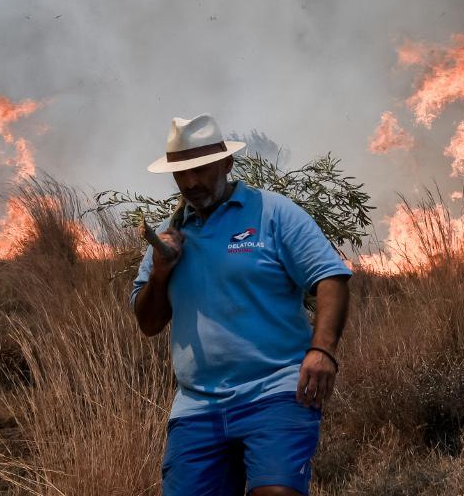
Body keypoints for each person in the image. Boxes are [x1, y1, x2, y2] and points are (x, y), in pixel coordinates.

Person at [131, 113, 351, 496]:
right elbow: (148, 323)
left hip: (276, 391)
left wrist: (322, 351)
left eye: (200, 170)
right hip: (197, 405)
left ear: (227, 163)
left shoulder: (273, 212)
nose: (190, 183)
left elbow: (330, 276)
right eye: (181, 174)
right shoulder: (168, 237)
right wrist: (161, 273)